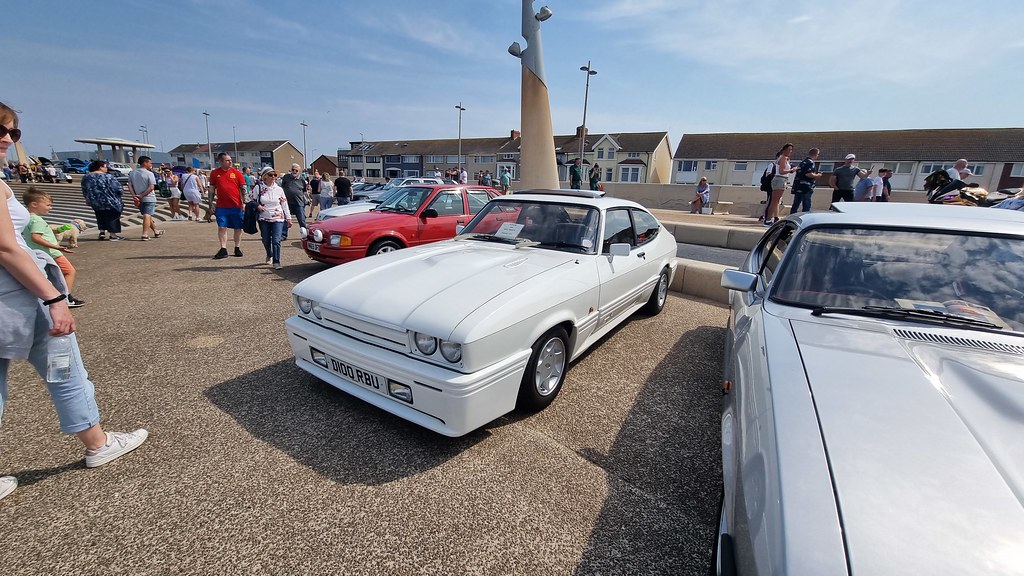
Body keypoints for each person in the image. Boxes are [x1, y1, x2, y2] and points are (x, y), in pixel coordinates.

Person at [0, 103, 148, 503]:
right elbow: (6, 248)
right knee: (64, 370)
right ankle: (98, 443)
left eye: (12, 132)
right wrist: (54, 297)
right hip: (22, 297)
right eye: (1, 130)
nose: (7, 138)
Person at [22, 188, 84, 308]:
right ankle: (66, 297)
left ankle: (56, 297)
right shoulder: (37, 220)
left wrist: (59, 229)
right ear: (34, 204)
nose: (50, 208)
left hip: (38, 253)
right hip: (51, 253)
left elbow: (39, 233)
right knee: (70, 272)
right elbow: (36, 237)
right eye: (48, 205)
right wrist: (57, 247)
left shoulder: (28, 219)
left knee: (50, 276)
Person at [209, 152, 246, 259]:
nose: (230, 162)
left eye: (230, 160)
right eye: (227, 160)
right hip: (222, 206)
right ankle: (223, 248)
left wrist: (244, 202)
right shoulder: (215, 173)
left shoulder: (237, 173)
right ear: (220, 161)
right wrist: (210, 203)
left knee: (238, 228)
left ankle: (237, 247)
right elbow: (212, 188)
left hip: (236, 205)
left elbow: (243, 188)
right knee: (222, 227)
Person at [255, 167, 291, 270]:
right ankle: (269, 254)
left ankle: (276, 261)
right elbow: (251, 200)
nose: (273, 177)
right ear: (264, 176)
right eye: (270, 175)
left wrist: (288, 218)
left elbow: (284, 204)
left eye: (275, 175)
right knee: (266, 239)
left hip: (278, 217)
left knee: (276, 240)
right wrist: (258, 206)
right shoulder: (258, 188)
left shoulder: (279, 189)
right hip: (264, 217)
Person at [80, 160, 125, 241]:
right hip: (110, 200)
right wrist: (120, 194)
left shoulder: (86, 177)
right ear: (100, 167)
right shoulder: (108, 177)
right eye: (105, 166)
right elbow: (118, 189)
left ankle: (102, 232)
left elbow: (84, 190)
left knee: (100, 215)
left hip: (95, 201)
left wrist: (87, 199)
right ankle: (113, 235)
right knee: (112, 217)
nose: (107, 168)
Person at [127, 156, 164, 241]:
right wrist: (141, 195)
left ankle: (156, 231)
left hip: (138, 198)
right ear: (145, 163)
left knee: (147, 215)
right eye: (150, 163)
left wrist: (134, 195)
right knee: (147, 215)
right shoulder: (149, 173)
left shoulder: (132, 173)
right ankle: (145, 234)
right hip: (148, 197)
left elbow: (129, 185)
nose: (151, 164)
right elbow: (151, 187)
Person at [764, 143, 797, 226]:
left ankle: (769, 219)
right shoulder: (783, 158)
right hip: (780, 179)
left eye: (791, 150)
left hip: (780, 179)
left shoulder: (783, 158)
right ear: (784, 149)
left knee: (775, 201)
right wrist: (792, 170)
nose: (790, 151)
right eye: (789, 149)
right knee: (775, 201)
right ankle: (768, 220)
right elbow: (781, 171)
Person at [789, 148, 822, 214]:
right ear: (815, 154)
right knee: (806, 204)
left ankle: (792, 216)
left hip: (798, 186)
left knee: (796, 203)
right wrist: (817, 175)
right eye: (817, 154)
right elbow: (808, 174)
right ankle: (806, 218)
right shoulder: (810, 162)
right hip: (806, 187)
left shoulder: (803, 162)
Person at [280, 164, 308, 240]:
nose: (294, 171)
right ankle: (283, 235)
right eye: (293, 170)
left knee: (302, 219)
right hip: (287, 202)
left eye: (296, 170)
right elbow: (282, 187)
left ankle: (305, 234)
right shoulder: (286, 177)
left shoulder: (302, 179)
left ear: (299, 171)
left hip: (298, 202)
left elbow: (304, 190)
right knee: (285, 218)